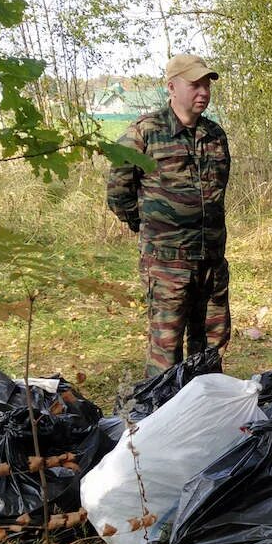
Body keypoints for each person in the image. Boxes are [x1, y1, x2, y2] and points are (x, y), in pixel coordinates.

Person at [107, 53, 232, 374]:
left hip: (211, 261)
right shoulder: (144, 133)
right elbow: (119, 192)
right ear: (172, 87)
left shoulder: (215, 136)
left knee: (211, 345)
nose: (203, 91)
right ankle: (164, 416)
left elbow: (218, 191)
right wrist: (147, 227)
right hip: (167, 265)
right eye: (195, 84)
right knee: (166, 351)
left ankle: (206, 411)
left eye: (206, 84)